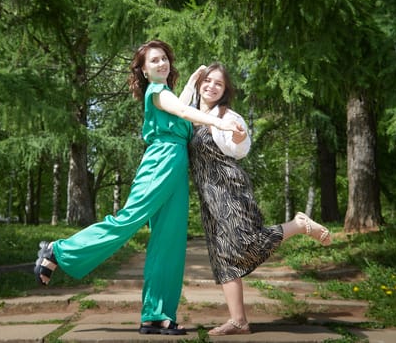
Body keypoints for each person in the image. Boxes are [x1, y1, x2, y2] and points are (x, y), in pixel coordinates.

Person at [33, 41, 242, 336]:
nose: (162, 63)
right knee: (127, 221)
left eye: (165, 59)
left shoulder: (168, 94)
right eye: (154, 61)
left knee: (169, 243)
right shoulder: (156, 92)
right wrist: (218, 123)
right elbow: (183, 112)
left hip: (176, 167)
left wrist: (194, 81)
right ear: (144, 70)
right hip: (160, 163)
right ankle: (58, 250)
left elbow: (179, 107)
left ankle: (157, 315)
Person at [182, 62, 331, 336]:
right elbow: (175, 109)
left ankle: (298, 225)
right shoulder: (189, 114)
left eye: (219, 83)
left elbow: (240, 148)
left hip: (228, 186)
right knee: (223, 255)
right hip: (207, 193)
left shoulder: (228, 115)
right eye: (207, 80)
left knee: (245, 242)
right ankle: (239, 321)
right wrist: (190, 83)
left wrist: (238, 135)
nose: (212, 86)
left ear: (225, 90)